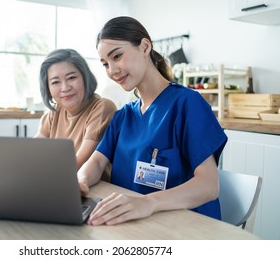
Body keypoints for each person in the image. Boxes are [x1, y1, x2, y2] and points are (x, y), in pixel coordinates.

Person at [78, 16, 228, 226]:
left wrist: (147, 203)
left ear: (145, 47)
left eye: (117, 56)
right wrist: (81, 182)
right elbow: (96, 162)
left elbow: (209, 186)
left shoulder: (187, 104)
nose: (112, 70)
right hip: (134, 226)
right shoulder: (124, 116)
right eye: (105, 64)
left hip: (187, 228)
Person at [35, 48, 117, 170]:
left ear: (85, 77)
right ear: (48, 88)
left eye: (71, 78)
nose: (65, 87)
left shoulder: (102, 107)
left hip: (93, 186)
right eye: (55, 82)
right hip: (57, 179)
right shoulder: (53, 114)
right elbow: (32, 153)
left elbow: (79, 162)